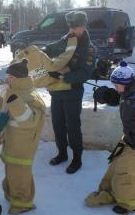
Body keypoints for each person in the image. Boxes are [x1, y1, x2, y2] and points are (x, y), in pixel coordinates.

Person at [85, 62, 135, 214]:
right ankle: (109, 192)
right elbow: (121, 98)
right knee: (115, 166)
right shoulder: (128, 93)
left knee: (126, 174)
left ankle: (129, 205)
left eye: (116, 85)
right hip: (129, 138)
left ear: (126, 84)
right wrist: (106, 95)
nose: (115, 87)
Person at [0, 59, 46, 214]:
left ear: (18, 78)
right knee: (11, 174)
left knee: (20, 177)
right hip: (11, 144)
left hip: (23, 147)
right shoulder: (13, 91)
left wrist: (16, 104)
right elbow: (4, 108)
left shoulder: (31, 96)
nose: (7, 80)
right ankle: (12, 196)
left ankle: (22, 204)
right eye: (8, 77)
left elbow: (30, 120)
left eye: (10, 77)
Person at [45, 11, 95, 174]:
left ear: (84, 25)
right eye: (71, 27)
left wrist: (63, 76)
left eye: (76, 27)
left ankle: (77, 158)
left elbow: (85, 73)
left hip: (72, 93)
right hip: (57, 93)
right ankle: (62, 153)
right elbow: (52, 48)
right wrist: (41, 52)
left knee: (73, 127)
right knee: (58, 125)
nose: (73, 30)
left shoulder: (89, 48)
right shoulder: (66, 39)